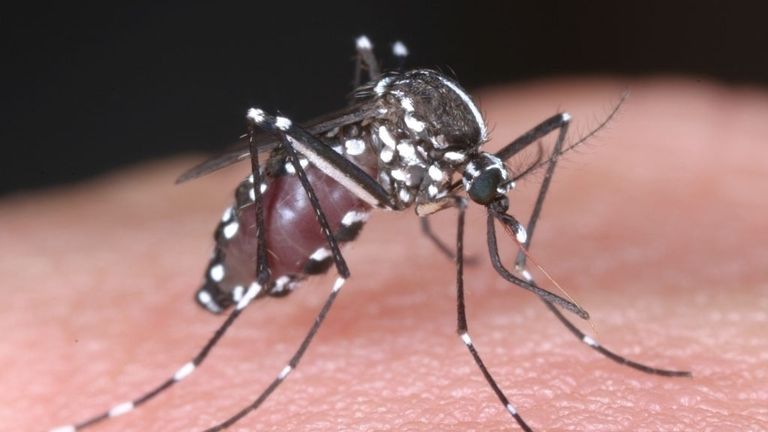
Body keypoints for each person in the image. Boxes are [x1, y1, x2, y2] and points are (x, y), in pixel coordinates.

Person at [3, 79, 766, 431]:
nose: (478, 192)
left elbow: (523, 151)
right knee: (286, 150)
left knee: (548, 124)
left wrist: (511, 246)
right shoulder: (425, 150)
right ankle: (220, 374)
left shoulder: (464, 152)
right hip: (309, 188)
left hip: (379, 166)